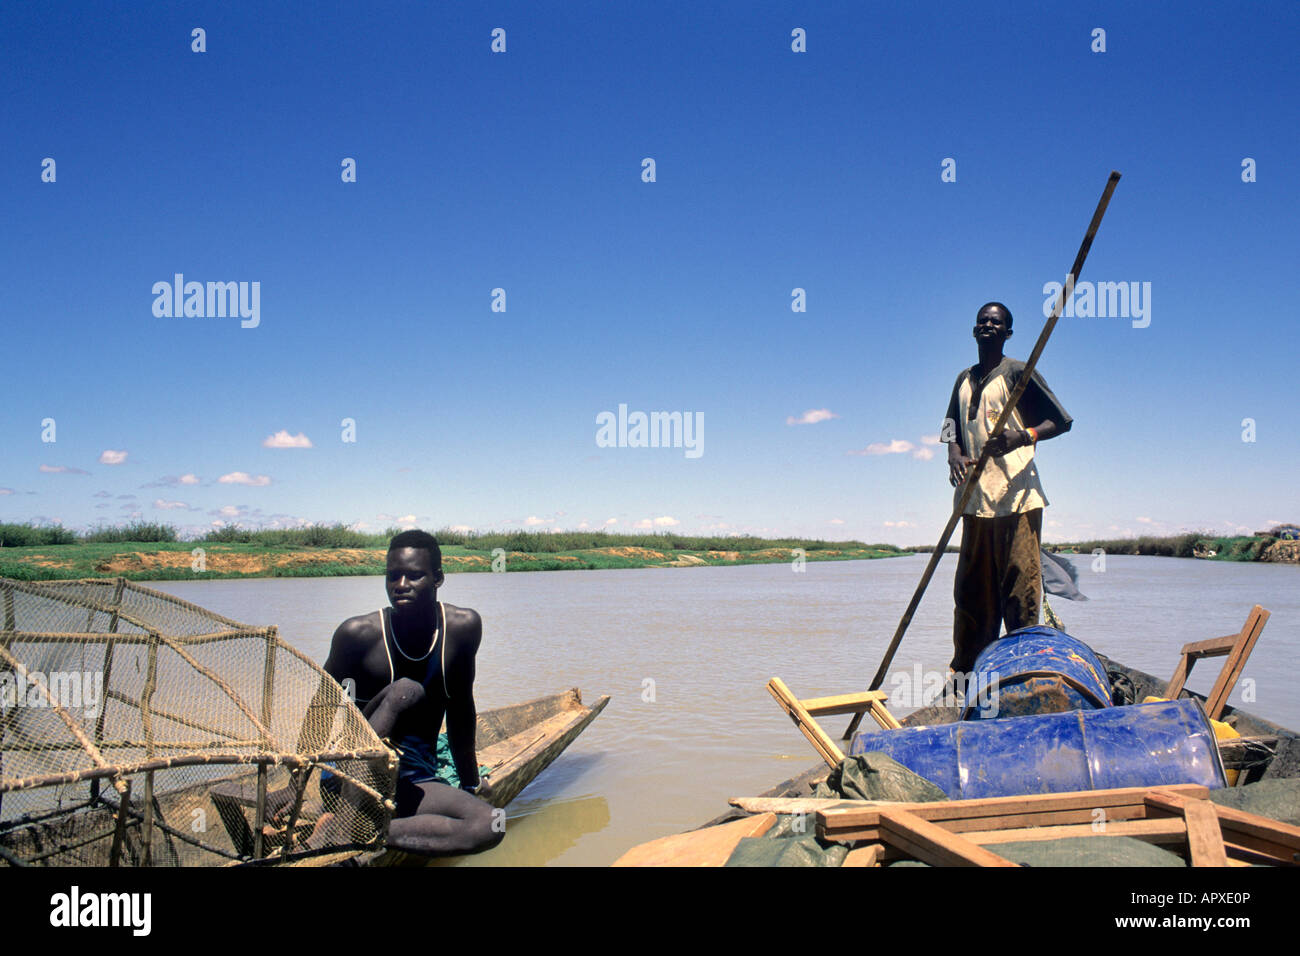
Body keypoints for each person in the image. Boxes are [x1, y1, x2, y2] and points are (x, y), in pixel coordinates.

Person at [321, 529, 502, 856]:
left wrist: (471, 783)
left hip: (413, 783)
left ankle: (362, 831)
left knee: (492, 824)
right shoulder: (358, 635)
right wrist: (293, 786)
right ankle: (349, 815)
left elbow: (461, 712)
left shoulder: (462, 628)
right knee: (405, 691)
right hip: (349, 780)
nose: (400, 585)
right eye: (393, 576)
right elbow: (319, 710)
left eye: (414, 576)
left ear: (438, 579)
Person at [942, 302, 1073, 674]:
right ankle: (968, 672)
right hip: (974, 500)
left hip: (1016, 498)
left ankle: (1023, 671)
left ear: (1007, 333)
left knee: (1020, 588)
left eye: (995, 323)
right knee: (971, 593)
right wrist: (953, 454)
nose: (987, 325)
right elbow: (951, 426)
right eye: (982, 320)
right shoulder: (964, 379)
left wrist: (1021, 436)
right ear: (974, 330)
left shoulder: (1018, 371)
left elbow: (1060, 421)